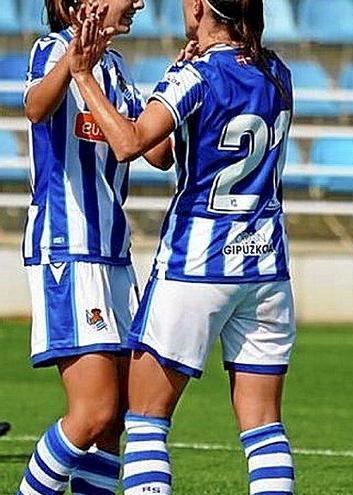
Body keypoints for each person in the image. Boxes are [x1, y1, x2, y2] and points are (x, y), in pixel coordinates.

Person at [66, 0, 296, 493]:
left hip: (198, 263)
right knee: (262, 424)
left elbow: (129, 144)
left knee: (147, 418)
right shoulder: (277, 71)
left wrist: (84, 76)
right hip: (266, 268)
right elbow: (164, 154)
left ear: (197, 7)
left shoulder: (196, 77)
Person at [15, 2, 171, 495]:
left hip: (113, 255)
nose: (139, 3)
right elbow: (36, 107)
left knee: (112, 423)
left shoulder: (118, 69)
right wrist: (74, 66)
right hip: (68, 250)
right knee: (92, 411)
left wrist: (185, 80)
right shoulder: (53, 50)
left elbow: (158, 153)